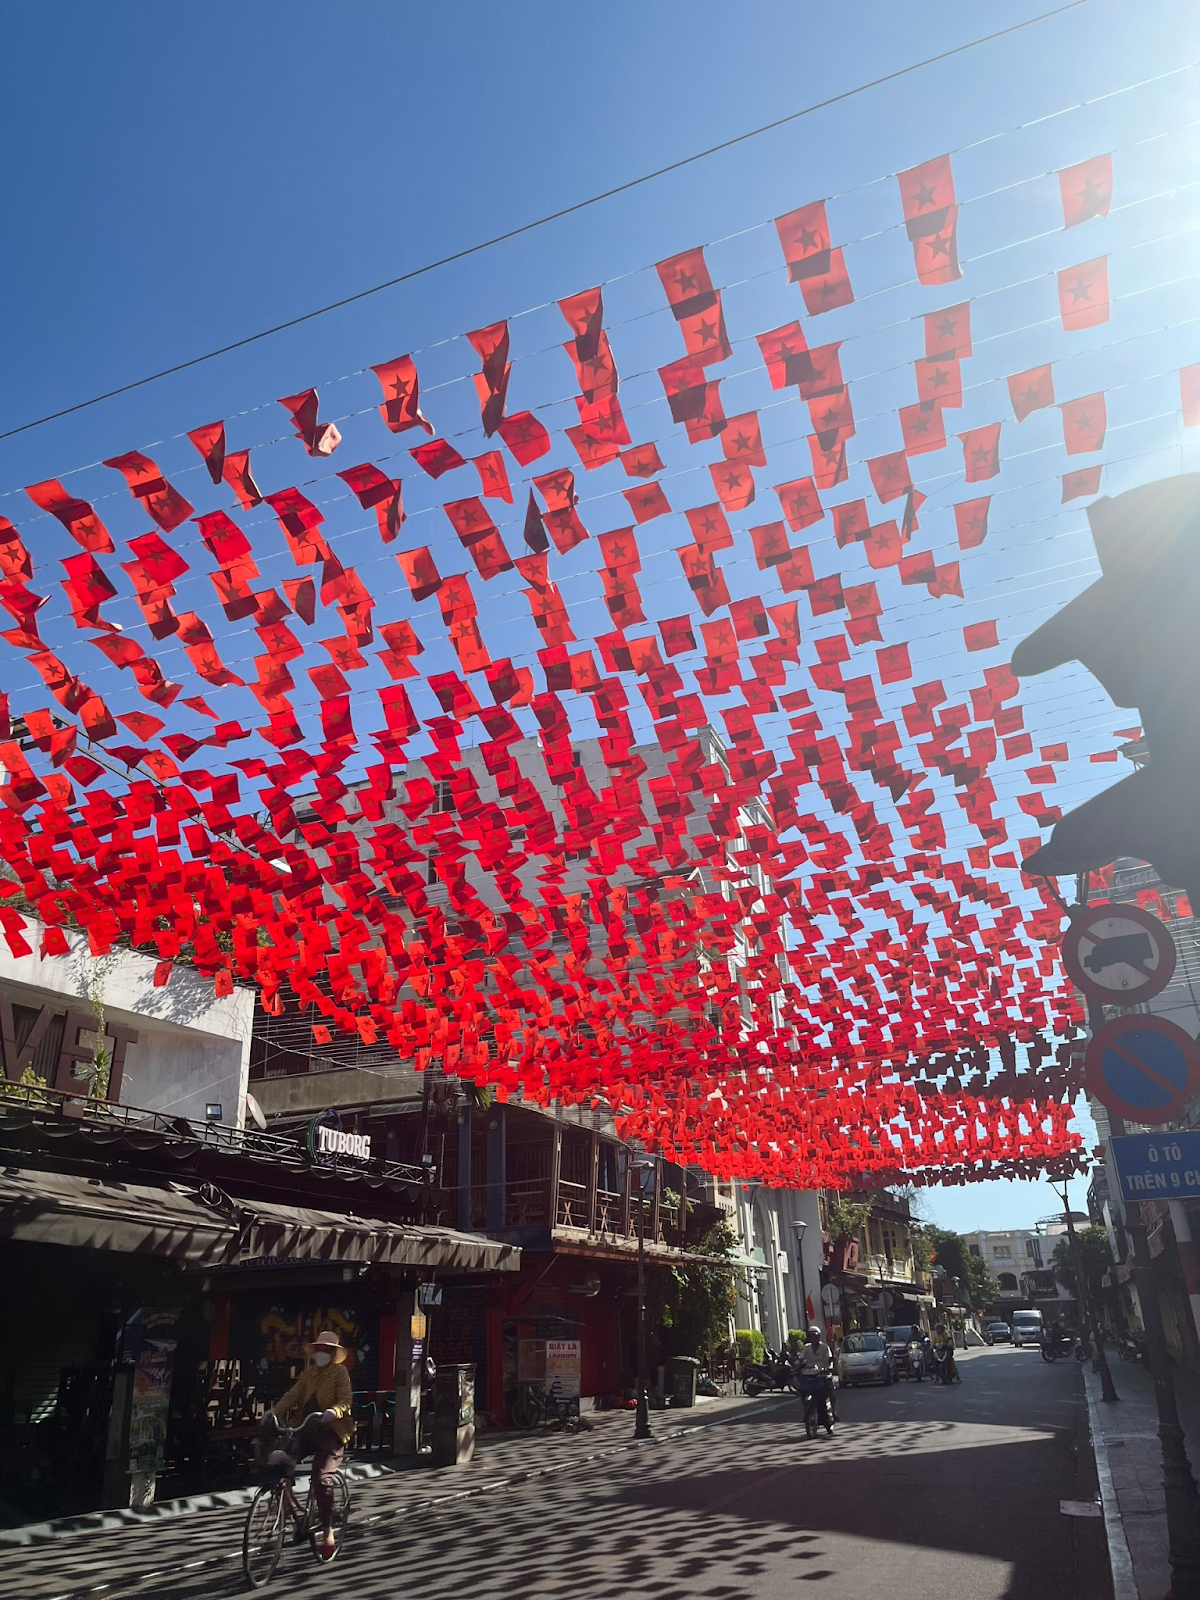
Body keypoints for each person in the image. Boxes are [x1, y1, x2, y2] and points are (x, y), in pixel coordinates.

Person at [267, 1329, 354, 1556]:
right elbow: (292, 1395)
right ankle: (285, 1509)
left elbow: (346, 1400)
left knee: (321, 1478)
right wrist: (273, 1412)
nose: (322, 1353)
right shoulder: (309, 1374)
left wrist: (334, 1411)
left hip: (331, 1434)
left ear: (333, 1354)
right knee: (280, 1460)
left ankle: (327, 1530)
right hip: (305, 1430)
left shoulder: (339, 1373)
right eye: (320, 1349)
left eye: (327, 1350)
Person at [797, 1322, 834, 1426]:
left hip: (821, 1375)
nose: (813, 1339)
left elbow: (830, 1360)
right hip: (808, 1374)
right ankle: (807, 1412)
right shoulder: (806, 1348)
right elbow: (801, 1360)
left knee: (823, 1395)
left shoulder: (824, 1347)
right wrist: (798, 1367)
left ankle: (826, 1416)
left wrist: (829, 1368)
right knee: (803, 1393)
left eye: (815, 1336)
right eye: (811, 1337)